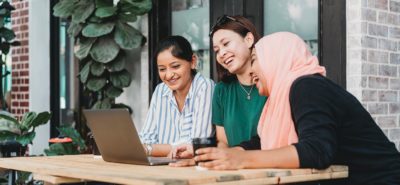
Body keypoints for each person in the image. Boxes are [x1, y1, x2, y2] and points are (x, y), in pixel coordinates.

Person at [193, 32, 400, 185]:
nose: (252, 70)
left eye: (255, 60)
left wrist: (242, 160)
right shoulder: (283, 96)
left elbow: (317, 151)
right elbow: (261, 143)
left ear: (278, 59)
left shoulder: (308, 86)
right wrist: (218, 158)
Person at [170, 15, 267, 161]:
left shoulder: (272, 83)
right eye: (216, 50)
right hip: (234, 172)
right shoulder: (222, 90)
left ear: (248, 39)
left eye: (226, 43)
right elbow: (223, 143)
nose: (221, 54)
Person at [139, 35, 215, 157]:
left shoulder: (205, 87)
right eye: (162, 69)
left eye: (175, 66)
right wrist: (147, 147)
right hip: (162, 166)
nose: (168, 75)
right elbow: (146, 138)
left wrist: (149, 149)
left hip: (192, 169)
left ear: (193, 62)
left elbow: (197, 146)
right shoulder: (160, 91)